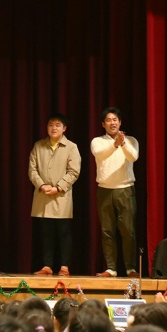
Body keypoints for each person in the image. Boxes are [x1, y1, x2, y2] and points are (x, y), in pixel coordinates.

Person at [29, 112, 81, 276]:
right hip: (43, 195)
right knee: (46, 232)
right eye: (51, 125)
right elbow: (32, 169)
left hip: (61, 196)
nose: (54, 128)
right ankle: (47, 266)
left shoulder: (71, 147)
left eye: (58, 125)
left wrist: (58, 187)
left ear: (64, 128)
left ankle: (64, 266)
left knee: (63, 232)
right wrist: (42, 185)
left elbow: (74, 172)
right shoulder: (38, 145)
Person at [90, 107, 140, 277]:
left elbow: (133, 157)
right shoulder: (97, 141)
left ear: (120, 122)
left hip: (125, 190)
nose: (112, 123)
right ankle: (111, 268)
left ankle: (130, 268)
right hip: (104, 190)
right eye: (109, 120)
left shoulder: (131, 140)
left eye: (115, 120)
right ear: (103, 124)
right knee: (107, 231)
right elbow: (100, 154)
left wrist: (122, 143)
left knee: (128, 231)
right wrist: (115, 144)